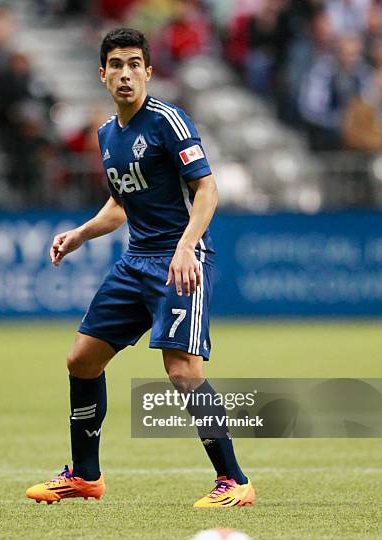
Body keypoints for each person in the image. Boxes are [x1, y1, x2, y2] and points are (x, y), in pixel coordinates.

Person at [25, 27, 255, 508]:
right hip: (136, 262)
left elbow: (207, 190)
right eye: (116, 65)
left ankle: (234, 480)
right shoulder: (108, 134)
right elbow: (121, 202)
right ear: (102, 74)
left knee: (181, 369)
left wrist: (186, 246)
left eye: (134, 64)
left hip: (181, 258)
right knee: (81, 360)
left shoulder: (168, 121)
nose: (125, 74)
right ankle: (85, 476)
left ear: (148, 72)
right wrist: (80, 233)